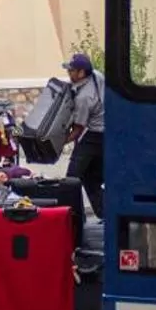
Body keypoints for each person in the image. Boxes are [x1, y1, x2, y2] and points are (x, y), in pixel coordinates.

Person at [61, 53, 106, 218]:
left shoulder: (84, 98)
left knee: (71, 180)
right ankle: (105, 213)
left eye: (71, 71)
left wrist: (59, 143)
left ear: (81, 73)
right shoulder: (97, 76)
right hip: (106, 135)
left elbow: (78, 130)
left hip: (93, 137)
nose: (69, 73)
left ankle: (69, 218)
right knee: (90, 178)